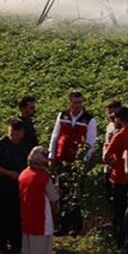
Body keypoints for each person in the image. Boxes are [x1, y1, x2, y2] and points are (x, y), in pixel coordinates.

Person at [48, 91, 97, 235]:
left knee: (76, 193)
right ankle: (63, 225)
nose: (77, 105)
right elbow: (55, 136)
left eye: (80, 102)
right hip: (61, 159)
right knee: (62, 192)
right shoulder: (62, 116)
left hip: (77, 162)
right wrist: (51, 155)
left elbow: (91, 143)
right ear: (70, 102)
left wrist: (84, 161)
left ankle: (75, 226)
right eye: (75, 102)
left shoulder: (89, 119)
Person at [0, 118, 28, 254]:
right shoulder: (0, 145)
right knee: (2, 219)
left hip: (19, 189)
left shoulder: (26, 144)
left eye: (17, 134)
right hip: (2, 188)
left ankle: (16, 249)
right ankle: (2, 249)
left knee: (17, 219)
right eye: (11, 133)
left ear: (22, 132)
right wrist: (8, 173)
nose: (14, 137)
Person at [19, 146, 60, 254]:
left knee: (28, 244)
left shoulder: (24, 173)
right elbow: (53, 197)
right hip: (41, 214)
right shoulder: (43, 177)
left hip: (27, 211)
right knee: (41, 245)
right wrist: (58, 191)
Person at [101, 105, 128, 248]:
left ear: (118, 119)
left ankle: (119, 241)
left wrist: (111, 161)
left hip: (119, 178)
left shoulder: (120, 135)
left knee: (118, 212)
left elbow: (106, 156)